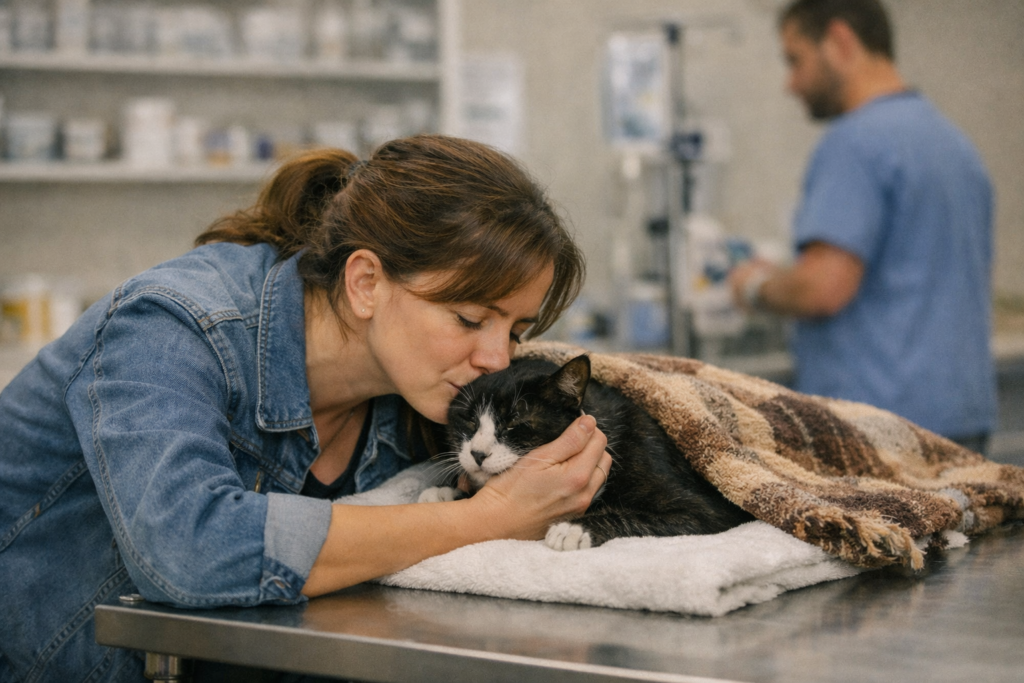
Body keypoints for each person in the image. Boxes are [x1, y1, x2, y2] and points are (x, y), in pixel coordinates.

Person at [0, 135, 611, 681]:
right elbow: (191, 550)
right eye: (471, 319)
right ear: (366, 282)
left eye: (515, 331)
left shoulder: (426, 397)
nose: (496, 359)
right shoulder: (171, 324)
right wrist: (488, 518)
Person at [728, 0, 997, 451]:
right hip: (962, 415)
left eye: (795, 60)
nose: (790, 84)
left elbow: (823, 287)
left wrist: (753, 286)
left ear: (839, 42)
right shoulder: (954, 144)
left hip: (882, 429)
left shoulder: (855, 143)